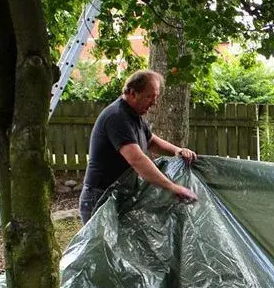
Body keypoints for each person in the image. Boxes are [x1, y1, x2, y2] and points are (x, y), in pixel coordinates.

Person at [79, 70, 198, 223]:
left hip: (118, 195)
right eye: (149, 96)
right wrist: (172, 187)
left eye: (156, 97)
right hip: (100, 196)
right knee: (101, 240)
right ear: (132, 93)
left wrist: (177, 150)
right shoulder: (117, 117)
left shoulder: (134, 116)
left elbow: (151, 141)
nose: (154, 103)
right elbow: (137, 159)